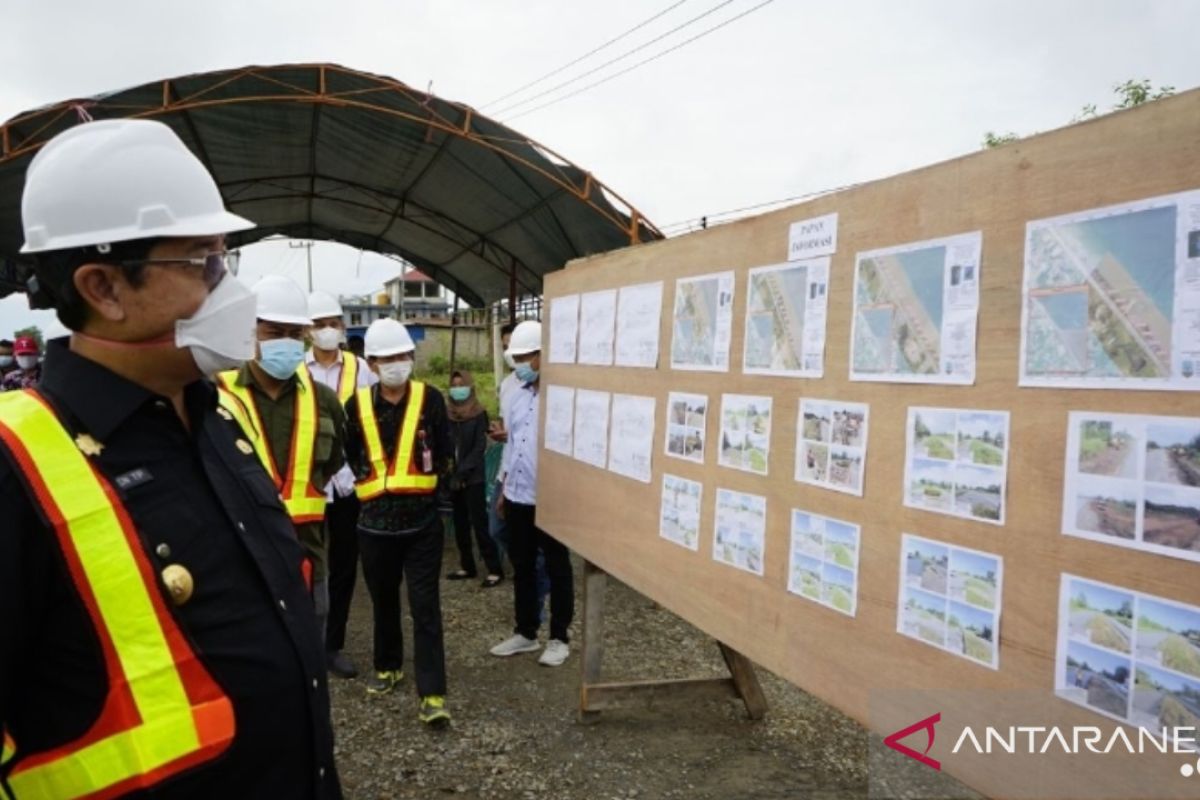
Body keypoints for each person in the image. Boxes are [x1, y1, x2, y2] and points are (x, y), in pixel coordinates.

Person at [0, 119, 341, 797]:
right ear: (103, 288)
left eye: (225, 257)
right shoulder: (15, 467)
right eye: (201, 262)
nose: (229, 288)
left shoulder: (219, 416)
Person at [215, 275, 347, 654]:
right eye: (274, 331)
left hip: (308, 553)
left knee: (309, 653)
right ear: (249, 332)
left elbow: (333, 461)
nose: (285, 342)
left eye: (294, 332)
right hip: (240, 554)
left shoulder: (324, 401)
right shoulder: (215, 395)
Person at [344, 318, 451, 727]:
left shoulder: (432, 400)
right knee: (383, 601)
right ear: (371, 364)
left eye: (403, 356)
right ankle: (388, 666)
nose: (396, 364)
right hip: (373, 526)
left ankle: (433, 693)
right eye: (387, 358)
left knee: (426, 608)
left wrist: (439, 499)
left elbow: (444, 453)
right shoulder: (356, 406)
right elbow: (349, 454)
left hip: (422, 525)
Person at [489, 321, 574, 667]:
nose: (520, 364)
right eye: (517, 358)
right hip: (519, 493)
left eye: (526, 357)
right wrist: (505, 487)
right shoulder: (514, 393)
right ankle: (526, 632)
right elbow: (513, 445)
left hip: (552, 496)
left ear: (543, 355)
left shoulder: (563, 396)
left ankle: (559, 637)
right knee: (522, 565)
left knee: (557, 567)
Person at [305, 290, 376, 680]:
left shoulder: (360, 368)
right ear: (307, 331)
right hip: (308, 483)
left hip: (348, 484)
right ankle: (305, 641)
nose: (327, 330)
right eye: (319, 324)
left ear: (343, 327)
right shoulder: (297, 368)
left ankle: (333, 644)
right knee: (306, 564)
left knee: (344, 566)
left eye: (333, 323)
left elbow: (370, 421)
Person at [445, 369, 504, 587]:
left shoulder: (479, 413)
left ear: (470, 387)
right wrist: (452, 471)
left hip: (473, 477)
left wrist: (464, 471)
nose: (457, 388)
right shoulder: (447, 413)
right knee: (460, 523)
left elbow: (480, 445)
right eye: (454, 384)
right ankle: (467, 566)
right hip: (453, 476)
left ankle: (494, 569)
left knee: (479, 523)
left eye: (462, 384)